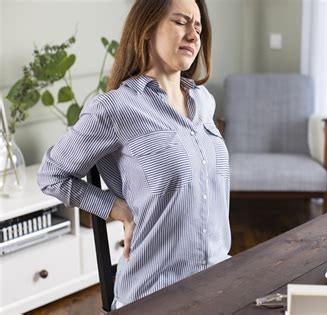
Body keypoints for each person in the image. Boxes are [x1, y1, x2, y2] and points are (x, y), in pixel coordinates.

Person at [37, 0, 231, 309]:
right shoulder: (115, 108)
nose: (194, 35)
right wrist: (116, 208)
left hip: (220, 279)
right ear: (147, 28)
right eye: (181, 22)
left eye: (198, 26)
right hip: (156, 293)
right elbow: (51, 174)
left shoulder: (203, 100)